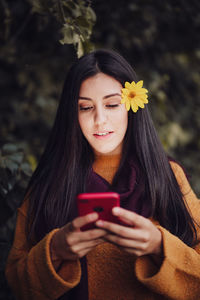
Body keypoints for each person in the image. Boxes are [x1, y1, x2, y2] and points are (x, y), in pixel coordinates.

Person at [5, 48, 200, 300]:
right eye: (85, 108)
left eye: (111, 104)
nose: (100, 119)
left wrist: (159, 245)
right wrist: (55, 250)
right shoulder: (49, 181)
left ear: (131, 105)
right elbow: (16, 282)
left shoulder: (167, 175)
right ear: (71, 115)